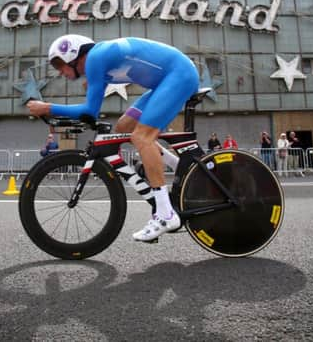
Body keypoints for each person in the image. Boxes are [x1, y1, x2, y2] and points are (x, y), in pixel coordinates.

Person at [27, 35, 199, 242]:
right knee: (124, 127)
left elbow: (90, 110)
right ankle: (178, 165)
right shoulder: (97, 64)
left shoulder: (95, 58)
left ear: (73, 56)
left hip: (179, 75)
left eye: (60, 66)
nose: (60, 73)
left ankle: (165, 215)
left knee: (142, 137)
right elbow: (92, 103)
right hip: (166, 80)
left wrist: (47, 107)